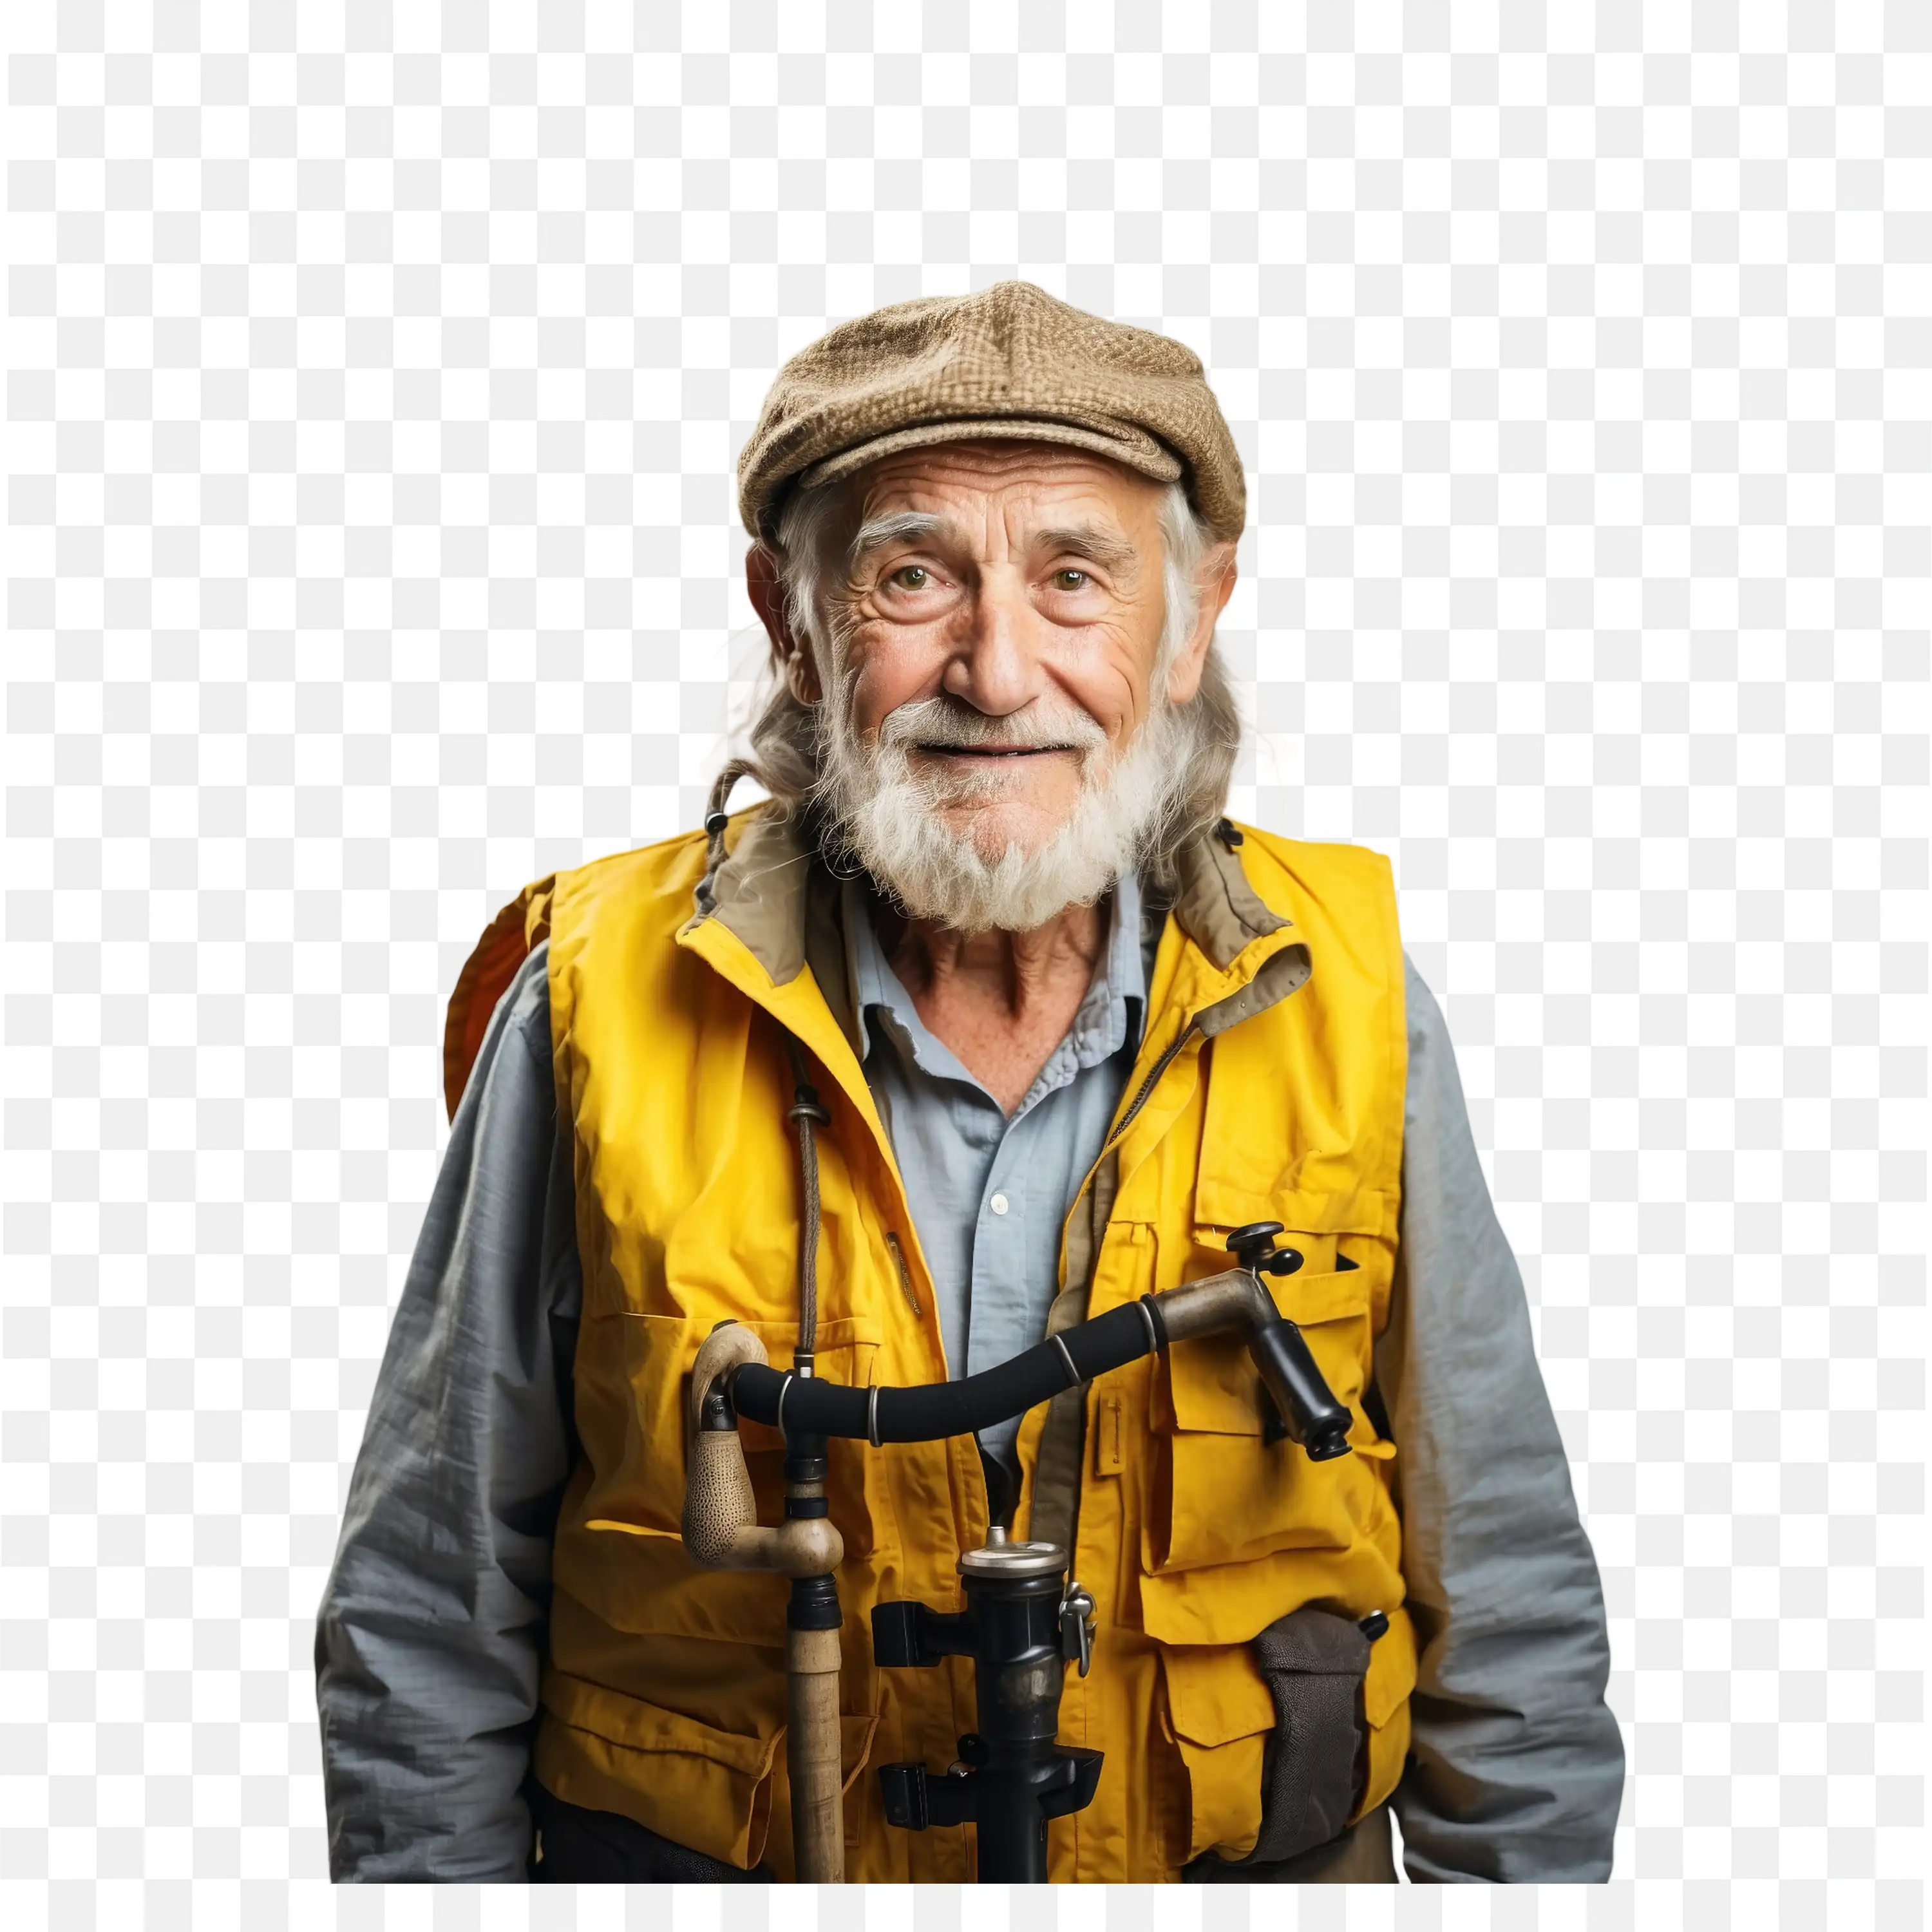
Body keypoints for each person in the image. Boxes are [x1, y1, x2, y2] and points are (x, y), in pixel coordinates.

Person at [315, 279, 1624, 1884]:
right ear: (792, 622)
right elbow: (428, 1611)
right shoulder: (591, 1001)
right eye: (914, 577)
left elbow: (1504, 1597)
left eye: (1077, 578)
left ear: (1192, 618)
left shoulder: (1343, 994)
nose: (998, 673)